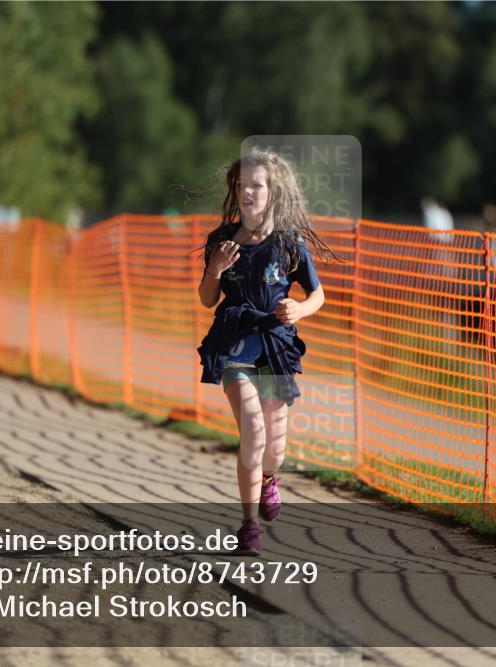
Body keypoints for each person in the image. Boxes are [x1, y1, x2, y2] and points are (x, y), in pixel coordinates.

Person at [196, 148, 336, 555]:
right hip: (235, 345)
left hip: (276, 348)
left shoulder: (290, 243)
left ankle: (269, 480)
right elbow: (207, 299)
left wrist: (300, 309)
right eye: (242, 186)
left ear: (273, 191)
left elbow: (317, 294)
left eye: (256, 185)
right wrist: (215, 270)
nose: (248, 193)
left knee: (274, 448)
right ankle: (248, 526)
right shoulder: (221, 242)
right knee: (253, 434)